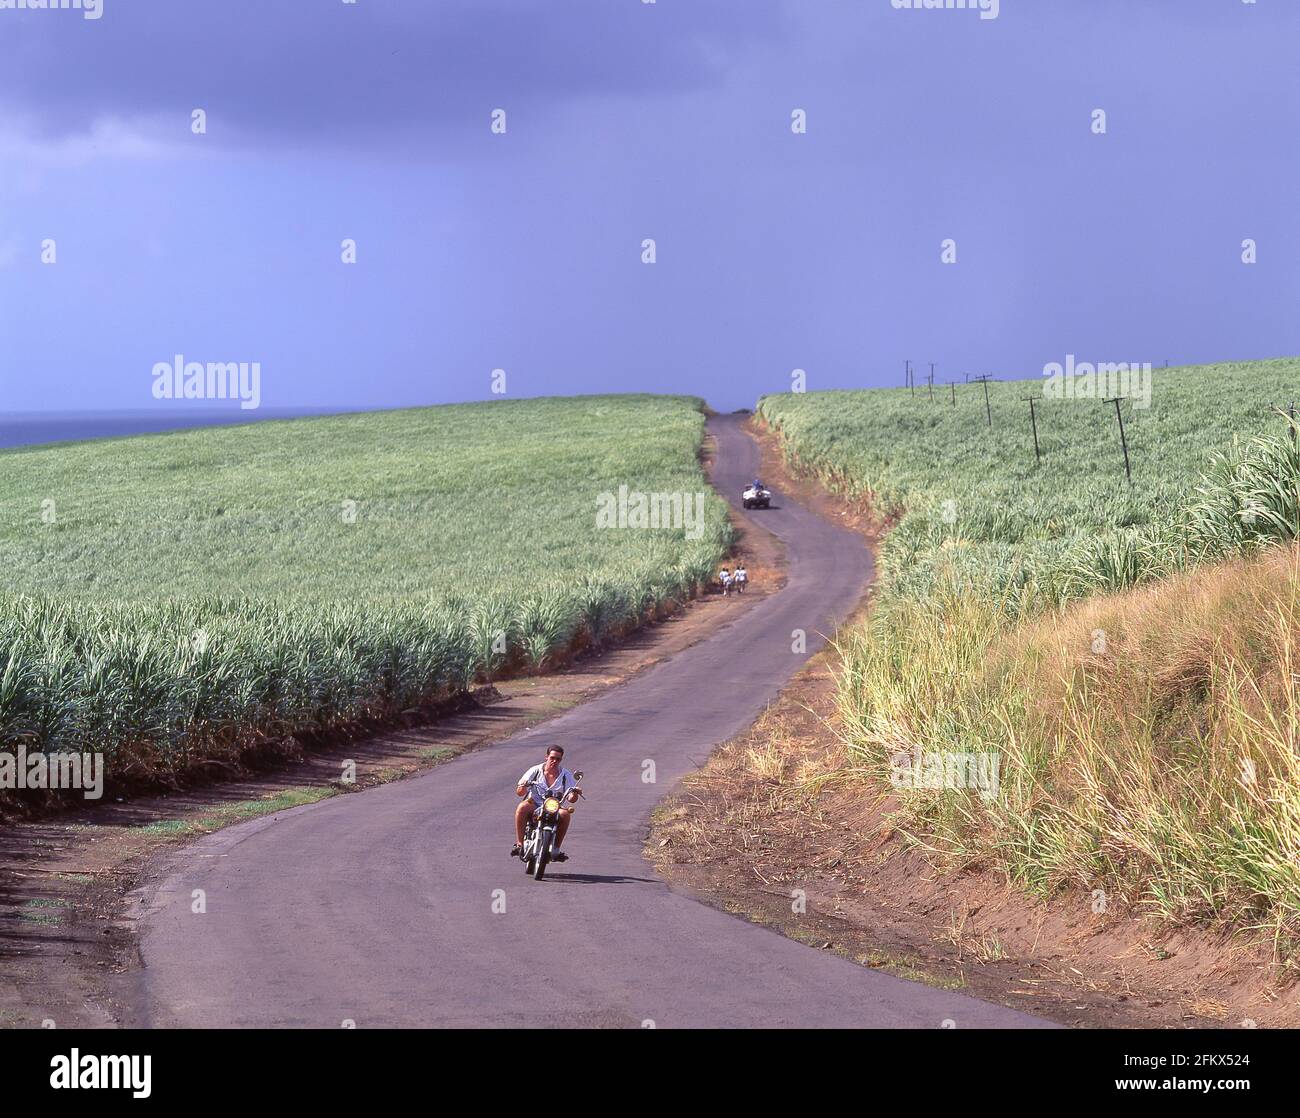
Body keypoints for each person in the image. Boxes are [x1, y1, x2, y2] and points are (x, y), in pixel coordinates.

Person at [511, 745, 579, 861]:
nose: (554, 761)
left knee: (566, 814)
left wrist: (575, 793)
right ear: (546, 757)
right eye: (552, 758)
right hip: (534, 803)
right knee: (522, 807)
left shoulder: (565, 775)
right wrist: (523, 785)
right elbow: (520, 792)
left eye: (558, 759)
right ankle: (519, 844)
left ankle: (556, 849)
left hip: (554, 806)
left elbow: (571, 798)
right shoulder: (535, 770)